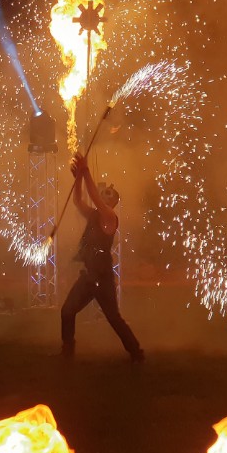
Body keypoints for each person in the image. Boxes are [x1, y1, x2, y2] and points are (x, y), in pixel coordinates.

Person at [60, 152, 144, 363]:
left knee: (113, 318)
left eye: (109, 195)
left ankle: (136, 352)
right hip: (88, 275)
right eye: (104, 193)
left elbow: (93, 196)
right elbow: (79, 200)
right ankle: (67, 351)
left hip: (102, 277)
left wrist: (85, 171)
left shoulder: (109, 217)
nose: (104, 195)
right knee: (67, 311)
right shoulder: (95, 215)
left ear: (114, 202)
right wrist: (78, 177)